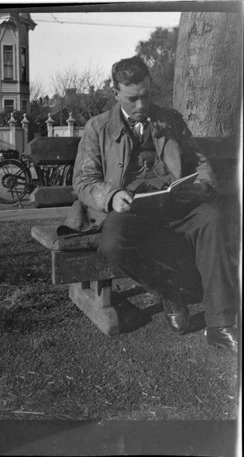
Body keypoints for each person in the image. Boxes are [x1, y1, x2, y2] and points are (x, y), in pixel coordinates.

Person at [59, 56, 238, 356]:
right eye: (132, 98)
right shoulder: (96, 127)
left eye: (146, 95)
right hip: (129, 211)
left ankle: (219, 325)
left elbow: (199, 160)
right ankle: (171, 292)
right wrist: (112, 196)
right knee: (113, 242)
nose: (141, 105)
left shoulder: (171, 119)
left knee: (210, 217)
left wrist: (203, 183)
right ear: (115, 93)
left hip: (174, 202)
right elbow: (84, 180)